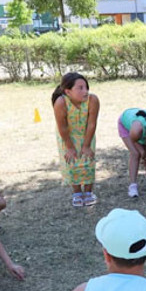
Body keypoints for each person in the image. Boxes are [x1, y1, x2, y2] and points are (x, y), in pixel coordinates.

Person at [52, 72, 100, 207]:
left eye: (86, 87)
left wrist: (86, 145)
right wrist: (70, 147)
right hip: (67, 136)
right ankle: (77, 193)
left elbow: (92, 124)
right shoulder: (61, 102)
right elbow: (63, 127)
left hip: (87, 134)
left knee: (88, 160)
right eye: (80, 88)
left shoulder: (93, 100)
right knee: (71, 162)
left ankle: (89, 192)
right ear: (68, 91)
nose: (85, 91)